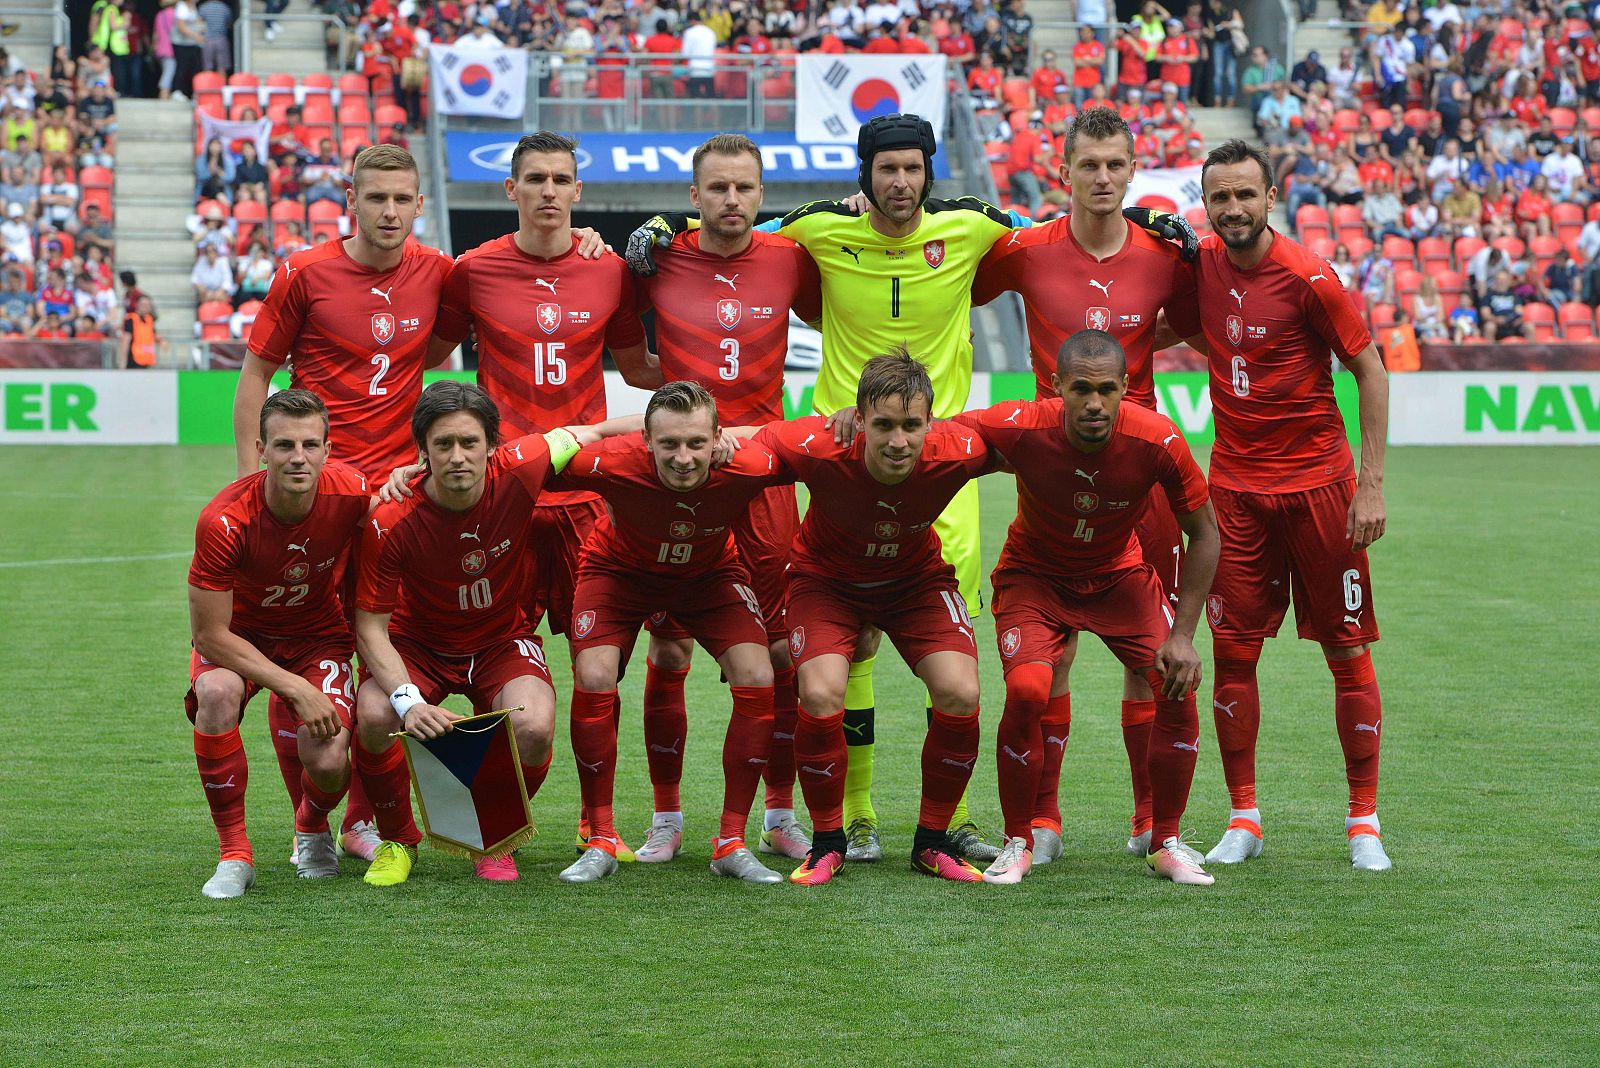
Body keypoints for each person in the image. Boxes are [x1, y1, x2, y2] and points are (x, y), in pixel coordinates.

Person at [971, 105, 1207, 856]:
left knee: (1154, 659)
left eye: (1116, 165)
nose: (1102, 178)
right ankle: (1043, 821)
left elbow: (1195, 325)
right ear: (1061, 172)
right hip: (1057, 461)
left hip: (1145, 473)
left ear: (1133, 171)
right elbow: (942, 283)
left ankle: (1149, 823)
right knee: (1052, 653)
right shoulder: (1025, 251)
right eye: (1089, 165)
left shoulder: (1164, 254)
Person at [428, 131, 660, 857]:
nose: (550, 192)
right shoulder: (473, 271)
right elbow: (423, 361)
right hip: (505, 499)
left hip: (587, 498)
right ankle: (473, 822)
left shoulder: (610, 270)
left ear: (579, 192)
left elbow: (642, 369)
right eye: (535, 179)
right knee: (475, 655)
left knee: (600, 668)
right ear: (512, 190)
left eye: (562, 179)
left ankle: (598, 823)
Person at [236, 144, 451, 859]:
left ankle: (360, 817)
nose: (389, 211)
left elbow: (441, 365)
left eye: (402, 199)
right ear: (350, 202)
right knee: (308, 646)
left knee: (379, 643)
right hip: (318, 492)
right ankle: (314, 820)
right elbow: (257, 373)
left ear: (419, 204)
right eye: (376, 198)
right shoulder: (305, 272)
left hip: (398, 499)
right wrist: (252, 484)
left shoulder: (440, 274)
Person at [951, 329, 1219, 884]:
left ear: (1126, 388)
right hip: (1035, 577)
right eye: (1080, 389)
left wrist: (1184, 634)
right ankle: (1019, 840)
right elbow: (936, 435)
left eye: (1105, 390)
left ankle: (1164, 840)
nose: (1093, 404)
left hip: (1118, 575)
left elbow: (1206, 533)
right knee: (1027, 690)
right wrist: (864, 421)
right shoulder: (1023, 424)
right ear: (1056, 387)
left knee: (1175, 679)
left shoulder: (1157, 439)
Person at [1193, 139, 1392, 872]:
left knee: (1346, 650)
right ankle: (1244, 817)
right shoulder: (1200, 263)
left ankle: (1363, 822)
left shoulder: (1310, 276)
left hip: (1319, 490)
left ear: (1271, 197)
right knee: (1232, 653)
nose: (1234, 208)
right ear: (1206, 203)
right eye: (1221, 197)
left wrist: (1369, 484)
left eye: (1247, 194)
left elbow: (1370, 371)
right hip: (1236, 496)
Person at [628, 134, 822, 863]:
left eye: (744, 188)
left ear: (761, 195)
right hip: (681, 475)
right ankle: (667, 817)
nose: (731, 200)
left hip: (763, 481)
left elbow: (838, 312)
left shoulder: (790, 258)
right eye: (717, 188)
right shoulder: (660, 257)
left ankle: (777, 813)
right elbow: (629, 359)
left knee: (779, 652)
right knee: (671, 647)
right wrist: (690, 428)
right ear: (693, 196)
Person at [743, 351, 1003, 885]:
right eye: (883, 424)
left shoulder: (958, 450)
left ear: (932, 422)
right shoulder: (819, 445)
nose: (898, 441)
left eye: (912, 425)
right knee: (819, 693)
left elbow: (1040, 438)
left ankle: (932, 843)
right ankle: (828, 843)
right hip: (826, 584)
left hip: (915, 582)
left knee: (960, 691)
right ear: (858, 419)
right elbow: (743, 440)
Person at [354, 382, 627, 887]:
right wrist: (409, 702)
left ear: (492, 445)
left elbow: (600, 431)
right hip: (417, 645)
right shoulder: (391, 518)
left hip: (501, 638)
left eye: (469, 443)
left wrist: (696, 436)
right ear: (422, 451)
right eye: (443, 445)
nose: (457, 457)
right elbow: (369, 628)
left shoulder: (524, 462)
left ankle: (492, 836)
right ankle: (398, 838)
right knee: (373, 713)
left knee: (536, 725)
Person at [185, 390, 373, 898]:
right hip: (239, 640)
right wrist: (294, 689)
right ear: (260, 449)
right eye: (284, 445)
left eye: (311, 445)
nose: (298, 457)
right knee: (218, 694)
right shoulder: (223, 520)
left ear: (328, 450)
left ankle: (311, 826)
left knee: (332, 761)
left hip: (317, 636)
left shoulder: (353, 493)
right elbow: (210, 635)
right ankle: (234, 855)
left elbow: (402, 520)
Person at [122, 294, 167, 367]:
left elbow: (154, 334)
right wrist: (123, 362)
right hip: (133, 361)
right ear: (137, 305)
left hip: (146, 360)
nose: (146, 307)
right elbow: (125, 341)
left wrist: (162, 341)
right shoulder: (131, 319)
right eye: (143, 304)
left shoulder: (149, 320)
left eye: (148, 305)